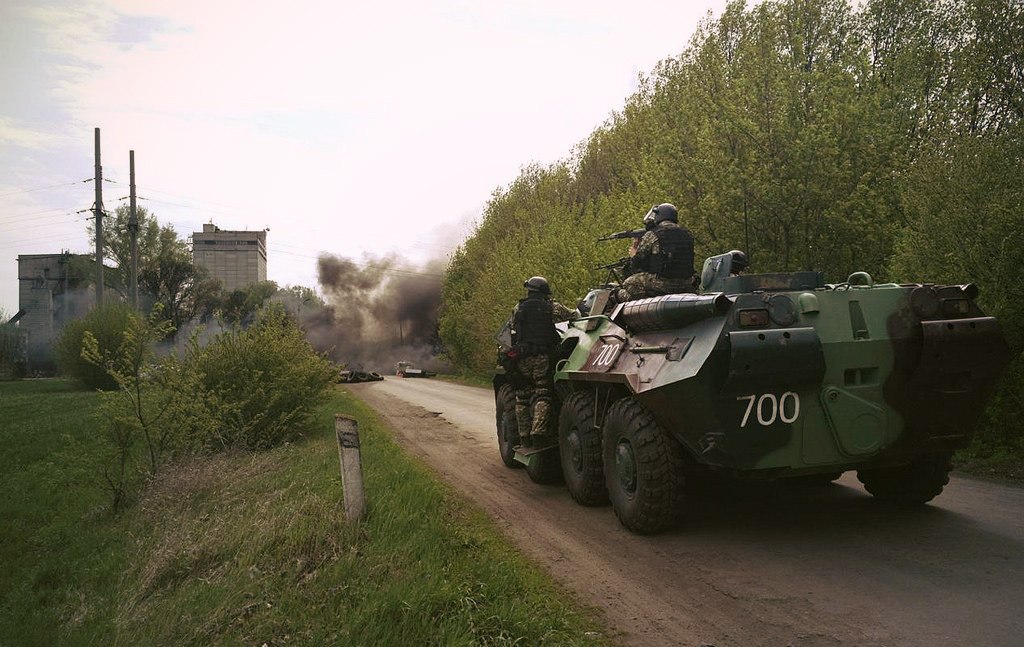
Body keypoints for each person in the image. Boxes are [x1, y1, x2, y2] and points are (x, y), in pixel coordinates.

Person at [508, 276, 571, 448]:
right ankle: (538, 433)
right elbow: (574, 315)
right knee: (543, 394)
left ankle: (524, 437)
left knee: (522, 397)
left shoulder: (518, 308)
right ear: (544, 291)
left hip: (522, 358)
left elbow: (512, 327)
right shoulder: (552, 307)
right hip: (541, 357)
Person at [613, 203, 695, 303]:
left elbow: (637, 263)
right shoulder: (687, 234)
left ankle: (643, 300)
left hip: (663, 283)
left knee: (629, 282)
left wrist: (634, 254)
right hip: (686, 282)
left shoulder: (653, 234)